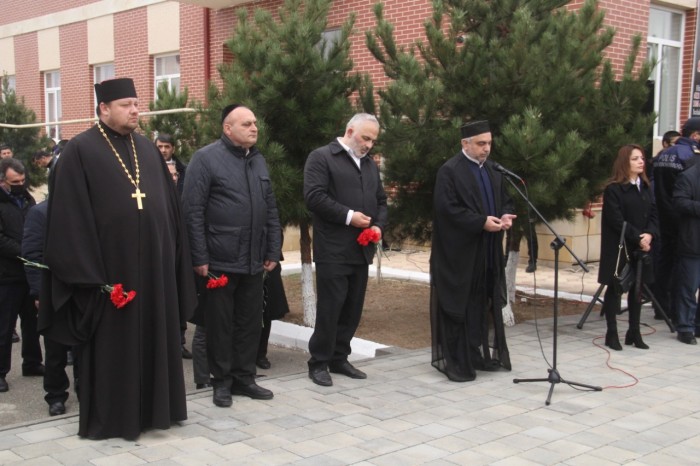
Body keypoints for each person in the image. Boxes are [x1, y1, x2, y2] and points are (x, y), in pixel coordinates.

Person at [40, 77, 197, 440]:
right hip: (111, 276)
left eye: (137, 103)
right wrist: (91, 277)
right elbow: (68, 219)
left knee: (156, 338)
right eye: (126, 104)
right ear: (104, 109)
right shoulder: (79, 151)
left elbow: (170, 210)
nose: (135, 110)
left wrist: (172, 257)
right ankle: (115, 419)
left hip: (154, 274)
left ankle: (158, 411)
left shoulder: (146, 148)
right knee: (115, 348)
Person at [183, 104, 281, 408]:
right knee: (221, 325)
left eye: (255, 123)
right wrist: (199, 257)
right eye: (247, 124)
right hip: (220, 261)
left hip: (254, 260)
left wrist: (272, 249)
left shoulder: (258, 161)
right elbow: (192, 211)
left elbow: (271, 210)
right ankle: (221, 382)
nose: (254, 128)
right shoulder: (206, 159)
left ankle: (244, 378)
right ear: (228, 128)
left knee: (250, 323)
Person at [303, 113, 387, 387]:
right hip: (333, 249)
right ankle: (318, 362)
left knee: (352, 309)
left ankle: (339, 357)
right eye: (365, 138)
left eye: (373, 140)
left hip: (361, 251)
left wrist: (379, 227)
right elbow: (314, 197)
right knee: (331, 307)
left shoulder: (370, 165)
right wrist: (350, 216)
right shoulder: (322, 157)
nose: (369, 145)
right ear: (350, 130)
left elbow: (382, 201)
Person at [430, 120, 516, 382]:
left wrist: (505, 215)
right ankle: (456, 361)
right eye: (481, 143)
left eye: (489, 143)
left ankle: (476, 352)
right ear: (464, 144)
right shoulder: (450, 171)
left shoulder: (493, 170)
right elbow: (447, 210)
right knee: (460, 305)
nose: (486, 148)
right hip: (459, 256)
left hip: (488, 252)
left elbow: (505, 200)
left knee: (482, 303)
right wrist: (480, 222)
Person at [598, 144, 658, 350]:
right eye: (635, 159)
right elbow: (616, 219)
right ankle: (611, 332)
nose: (641, 161)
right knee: (615, 288)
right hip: (620, 248)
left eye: (642, 158)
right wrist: (638, 237)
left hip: (641, 247)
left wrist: (649, 234)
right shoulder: (614, 189)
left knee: (637, 289)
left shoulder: (646, 187)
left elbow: (653, 214)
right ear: (625, 162)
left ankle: (634, 332)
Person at [22, 199, 77, 416]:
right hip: (53, 291)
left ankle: (84, 387)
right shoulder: (40, 213)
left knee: (83, 347)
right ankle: (55, 395)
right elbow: (32, 255)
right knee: (55, 349)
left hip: (82, 291)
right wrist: (39, 293)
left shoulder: (85, 207)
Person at [0, 158, 44, 393]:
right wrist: (25, 250)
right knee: (4, 327)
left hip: (28, 273)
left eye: (23, 180)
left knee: (32, 324)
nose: (20, 184)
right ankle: (0, 372)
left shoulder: (28, 199)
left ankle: (33, 362)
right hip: (6, 276)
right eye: (15, 182)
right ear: (2, 181)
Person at [652, 118, 700, 322]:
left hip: (663, 218)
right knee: (684, 273)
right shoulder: (692, 156)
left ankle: (660, 306)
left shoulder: (664, 154)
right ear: (695, 136)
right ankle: (677, 313)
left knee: (664, 262)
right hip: (685, 223)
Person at [165, 159, 193, 360]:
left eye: (176, 175)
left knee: (180, 301)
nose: (174, 178)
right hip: (163, 261)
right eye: (170, 174)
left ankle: (180, 341)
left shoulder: (183, 197)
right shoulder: (156, 198)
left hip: (182, 258)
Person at [671, 157, 700, 344]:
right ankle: (685, 327)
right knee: (689, 287)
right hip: (693, 242)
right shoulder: (688, 177)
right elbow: (679, 202)